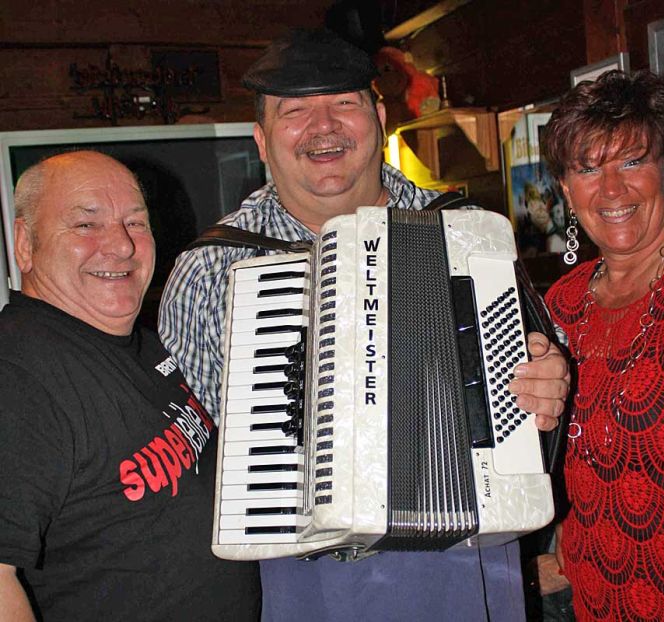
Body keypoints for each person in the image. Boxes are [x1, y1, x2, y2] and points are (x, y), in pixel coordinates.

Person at [159, 28, 569, 622]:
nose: (324, 126)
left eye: (343, 103)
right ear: (262, 140)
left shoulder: (467, 231)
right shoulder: (212, 270)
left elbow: (538, 395)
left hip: (473, 562)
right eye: (295, 111)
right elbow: (188, 459)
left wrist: (545, 385)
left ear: (378, 117)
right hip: (310, 579)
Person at [0, 151, 261, 621]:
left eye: (135, 223)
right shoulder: (18, 373)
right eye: (86, 225)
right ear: (25, 244)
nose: (121, 245)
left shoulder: (138, 345)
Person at [541, 70, 664, 620]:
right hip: (590, 603)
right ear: (566, 189)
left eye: (631, 161)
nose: (611, 190)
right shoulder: (556, 305)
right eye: (587, 169)